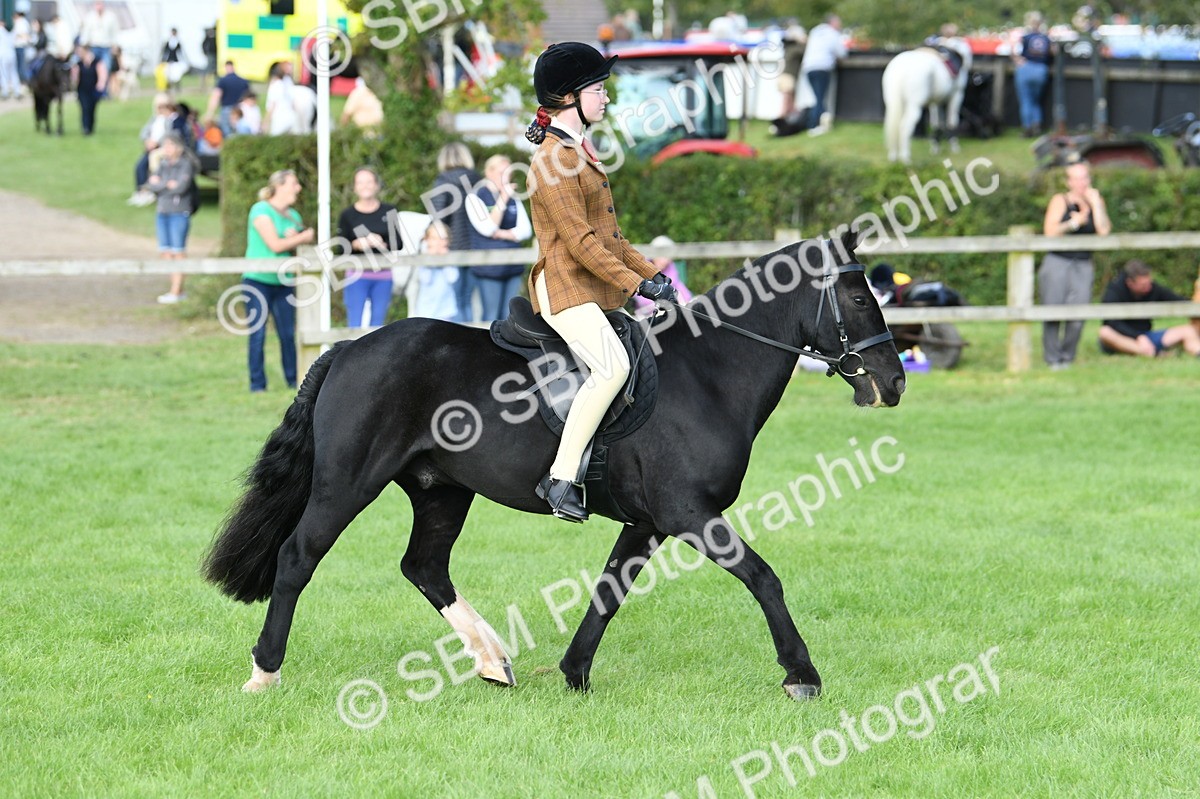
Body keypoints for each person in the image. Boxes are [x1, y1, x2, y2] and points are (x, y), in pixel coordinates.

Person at [523, 41, 674, 522]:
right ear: (569, 96)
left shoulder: (578, 151)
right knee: (611, 368)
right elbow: (581, 241)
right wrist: (636, 286)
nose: (606, 98)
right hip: (565, 285)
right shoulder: (552, 160)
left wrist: (655, 276)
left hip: (589, 284)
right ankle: (561, 478)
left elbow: (612, 238)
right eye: (599, 89)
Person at [243, 170, 315, 392]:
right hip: (257, 281)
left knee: (287, 334)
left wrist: (295, 239)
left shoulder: (293, 215)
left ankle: (294, 382)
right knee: (258, 334)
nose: (298, 188)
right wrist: (303, 236)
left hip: (284, 282)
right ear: (280, 186)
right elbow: (274, 244)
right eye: (294, 183)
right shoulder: (261, 209)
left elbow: (295, 250)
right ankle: (257, 385)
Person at [1039, 161, 1111, 369]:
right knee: (1053, 311)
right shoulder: (1060, 200)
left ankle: (1067, 357)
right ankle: (1052, 359)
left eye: (1085, 177)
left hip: (1083, 264)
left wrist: (1096, 205)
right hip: (1058, 262)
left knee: (1078, 314)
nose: (1082, 182)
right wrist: (1073, 223)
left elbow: (1104, 231)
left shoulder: (1096, 200)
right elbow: (1050, 232)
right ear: (1069, 181)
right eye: (1077, 178)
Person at [466, 154, 532, 322]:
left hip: (512, 266)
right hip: (489, 268)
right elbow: (489, 228)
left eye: (508, 173)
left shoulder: (513, 197)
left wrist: (502, 234)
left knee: (509, 316)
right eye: (501, 172)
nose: (506, 177)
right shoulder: (475, 197)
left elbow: (526, 231)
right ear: (489, 172)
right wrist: (503, 197)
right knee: (491, 317)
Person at [1097, 261, 1200, 358]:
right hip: (1123, 337)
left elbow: (1178, 301)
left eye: (1149, 283)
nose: (1148, 288)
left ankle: (1197, 353)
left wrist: (1195, 306)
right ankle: (1153, 353)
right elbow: (1111, 322)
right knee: (1105, 332)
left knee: (1188, 330)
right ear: (1130, 283)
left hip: (1148, 336)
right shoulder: (1114, 291)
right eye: (1143, 285)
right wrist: (1138, 337)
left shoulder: (1152, 288)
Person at [429, 143, 485, 323]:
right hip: (477, 247)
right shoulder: (478, 180)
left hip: (452, 247)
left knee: (456, 301)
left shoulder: (442, 182)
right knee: (469, 299)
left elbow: (439, 218)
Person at [337, 167, 398, 327]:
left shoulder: (389, 211)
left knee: (378, 326)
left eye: (369, 181)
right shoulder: (347, 215)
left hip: (383, 276)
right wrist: (356, 244)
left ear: (377, 185)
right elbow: (340, 248)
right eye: (360, 182)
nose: (365, 186)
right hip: (356, 276)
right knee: (354, 324)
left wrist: (382, 243)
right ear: (355, 187)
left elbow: (398, 243)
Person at [145, 132, 195, 303]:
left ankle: (176, 290)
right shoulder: (163, 165)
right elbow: (152, 184)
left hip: (179, 213)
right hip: (163, 212)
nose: (166, 149)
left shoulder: (185, 165)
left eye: (169, 146)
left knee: (178, 251)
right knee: (165, 251)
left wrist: (162, 184)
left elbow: (180, 187)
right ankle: (175, 288)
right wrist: (166, 184)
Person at [128, 94, 184, 206]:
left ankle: (151, 190)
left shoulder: (171, 120)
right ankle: (141, 191)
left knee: (153, 164)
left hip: (163, 148)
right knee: (140, 166)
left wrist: (157, 143)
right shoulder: (154, 119)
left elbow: (171, 135)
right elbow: (144, 132)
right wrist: (147, 141)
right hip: (151, 147)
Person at [800, 14, 846, 134]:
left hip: (808, 67)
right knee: (820, 98)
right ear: (832, 23)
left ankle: (821, 123)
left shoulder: (815, 31)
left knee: (817, 97)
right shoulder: (832, 33)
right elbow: (842, 53)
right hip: (822, 67)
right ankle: (813, 125)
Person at [631, 236, 693, 317]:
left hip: (670, 311)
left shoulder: (670, 268)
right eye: (661, 256)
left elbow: (682, 291)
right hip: (648, 314)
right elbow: (643, 301)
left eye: (668, 256)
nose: (665, 260)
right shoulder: (643, 268)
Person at [1013, 12, 1053, 137]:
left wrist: (1017, 60)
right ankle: (1037, 125)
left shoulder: (1025, 37)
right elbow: (1052, 52)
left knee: (1026, 100)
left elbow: (1014, 51)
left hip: (1026, 68)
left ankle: (1027, 127)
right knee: (1036, 100)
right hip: (1041, 70)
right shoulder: (1046, 38)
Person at [411, 220, 457, 320]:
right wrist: (430, 258)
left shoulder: (450, 257)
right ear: (427, 240)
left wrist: (445, 260)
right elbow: (426, 279)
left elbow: (452, 278)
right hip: (426, 309)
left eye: (443, 239)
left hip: (446, 309)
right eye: (434, 238)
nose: (439, 243)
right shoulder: (424, 257)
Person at [203, 61, 249, 135]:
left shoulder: (223, 81)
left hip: (227, 110)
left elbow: (216, 96)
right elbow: (248, 97)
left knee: (227, 133)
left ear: (226, 67)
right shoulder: (243, 81)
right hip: (240, 109)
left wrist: (210, 112)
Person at [79, 0, 120, 77]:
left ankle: (104, 88)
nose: (99, 6)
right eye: (97, 4)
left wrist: (115, 46)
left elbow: (114, 33)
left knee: (106, 68)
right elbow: (85, 33)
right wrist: (84, 47)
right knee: (91, 68)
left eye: (100, 3)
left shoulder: (110, 17)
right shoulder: (90, 16)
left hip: (106, 47)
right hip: (93, 47)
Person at [73, 44, 107, 135]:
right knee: (84, 108)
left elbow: (102, 74)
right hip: (82, 89)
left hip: (93, 89)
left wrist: (100, 84)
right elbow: (75, 78)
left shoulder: (97, 62)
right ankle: (85, 128)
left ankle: (91, 127)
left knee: (92, 108)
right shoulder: (78, 64)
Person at [263, 61, 297, 135]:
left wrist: (266, 121)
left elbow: (272, 105)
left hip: (280, 118)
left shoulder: (275, 85)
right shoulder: (287, 82)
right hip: (291, 117)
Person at [160, 28, 187, 94]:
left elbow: (181, 53)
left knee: (177, 75)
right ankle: (169, 88)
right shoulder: (167, 42)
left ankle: (177, 88)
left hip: (176, 61)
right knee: (169, 75)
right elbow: (165, 52)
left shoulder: (178, 43)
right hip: (169, 61)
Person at [0, 22, 19, 101]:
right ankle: (17, 91)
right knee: (13, 73)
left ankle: (5, 92)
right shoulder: (10, 32)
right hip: (11, 54)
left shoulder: (2, 31)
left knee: (4, 74)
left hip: (3, 55)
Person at [12, 11, 30, 88]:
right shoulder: (22, 22)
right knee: (20, 65)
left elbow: (24, 35)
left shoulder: (21, 22)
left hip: (20, 46)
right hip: (18, 46)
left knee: (21, 65)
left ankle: (24, 81)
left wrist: (17, 36)